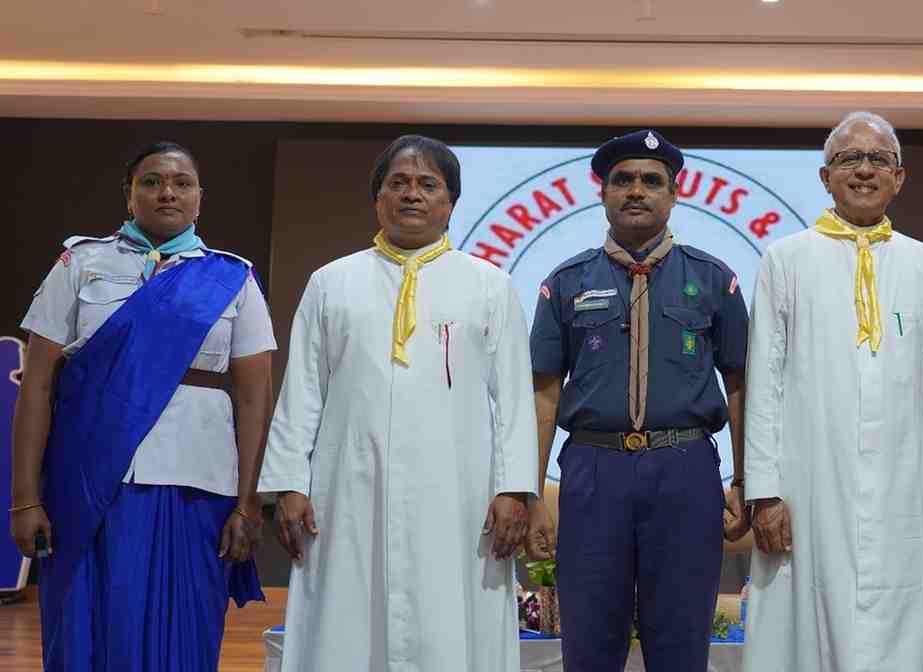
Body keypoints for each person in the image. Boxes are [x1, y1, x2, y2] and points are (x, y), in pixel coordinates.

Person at [258, 135, 538, 672]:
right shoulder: (331, 282)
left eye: (428, 184)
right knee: (345, 616)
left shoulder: (490, 285)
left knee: (453, 618)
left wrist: (514, 489)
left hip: (458, 493)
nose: (412, 194)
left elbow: (514, 398)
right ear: (378, 197)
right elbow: (302, 390)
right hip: (348, 488)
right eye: (398, 183)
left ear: (450, 202)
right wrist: (289, 483)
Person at [10, 140, 274, 671]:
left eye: (181, 183)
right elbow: (36, 386)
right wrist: (24, 498)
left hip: (197, 484)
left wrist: (248, 504)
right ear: (129, 196)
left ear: (199, 198)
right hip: (88, 479)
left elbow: (254, 397)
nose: (166, 192)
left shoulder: (231, 277)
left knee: (187, 627)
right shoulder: (80, 263)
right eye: (151, 182)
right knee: (87, 623)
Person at [742, 111, 923, 672]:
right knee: (806, 630)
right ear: (826, 177)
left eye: (878, 160)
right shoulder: (785, 260)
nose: (864, 170)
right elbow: (764, 383)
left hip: (907, 489)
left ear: (900, 176)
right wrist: (765, 492)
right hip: (809, 487)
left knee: (903, 629)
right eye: (849, 159)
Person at [525, 129, 751, 672]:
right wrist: (530, 491)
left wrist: (746, 480)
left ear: (674, 195)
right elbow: (543, 394)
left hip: (685, 468)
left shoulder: (714, 279)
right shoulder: (566, 281)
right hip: (593, 470)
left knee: (680, 642)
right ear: (602, 193)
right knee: (589, 640)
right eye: (622, 179)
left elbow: (742, 386)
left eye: (652, 181)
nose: (636, 190)